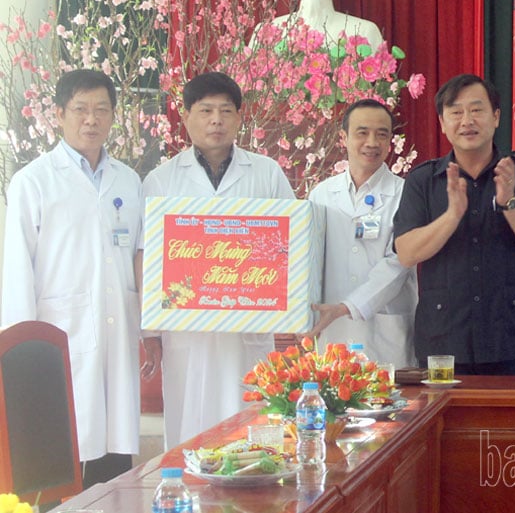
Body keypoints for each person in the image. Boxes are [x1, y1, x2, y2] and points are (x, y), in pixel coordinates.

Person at [1, 69, 155, 486]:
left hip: (116, 330)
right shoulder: (32, 182)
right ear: (58, 114)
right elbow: (16, 269)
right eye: (81, 110)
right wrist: (18, 351)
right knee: (59, 450)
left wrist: (149, 331)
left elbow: (140, 260)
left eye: (102, 110)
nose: (92, 120)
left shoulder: (128, 180)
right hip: (55, 336)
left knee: (114, 452)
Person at [142, 72, 296, 447]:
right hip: (186, 332)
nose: (216, 120)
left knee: (252, 433)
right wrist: (149, 333)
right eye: (206, 110)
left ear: (240, 118)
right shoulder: (161, 180)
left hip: (248, 327)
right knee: (189, 434)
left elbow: (292, 243)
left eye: (226, 111)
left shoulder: (267, 173)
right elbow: (147, 258)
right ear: (186, 115)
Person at [393, 74, 515, 375]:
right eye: (456, 112)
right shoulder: (422, 180)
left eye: (477, 110)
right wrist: (451, 216)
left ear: (496, 117)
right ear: (443, 123)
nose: (467, 120)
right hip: (443, 340)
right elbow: (406, 253)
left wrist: (510, 202)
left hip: (510, 337)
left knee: (509, 421)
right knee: (445, 422)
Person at [307, 99, 417, 367]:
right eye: (362, 132)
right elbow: (309, 260)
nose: (372, 142)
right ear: (343, 137)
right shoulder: (321, 194)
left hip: (384, 329)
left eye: (382, 134)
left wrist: (349, 306)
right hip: (332, 330)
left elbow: (398, 263)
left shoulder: (406, 193)